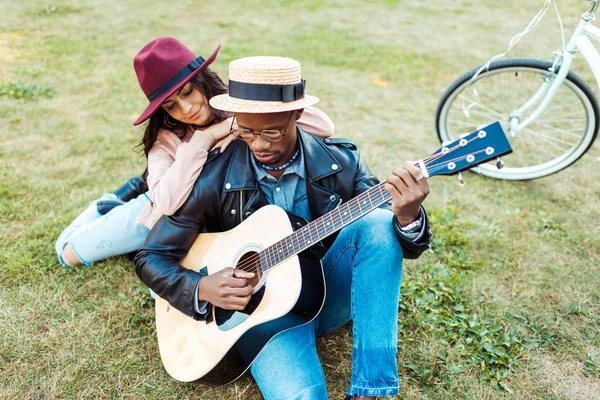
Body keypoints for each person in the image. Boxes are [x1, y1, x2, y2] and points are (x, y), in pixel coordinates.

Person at [134, 55, 432, 399]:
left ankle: (372, 390)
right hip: (265, 319)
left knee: (379, 224)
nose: (259, 144)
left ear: (298, 115)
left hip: (326, 292)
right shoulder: (214, 178)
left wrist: (407, 217)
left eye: (271, 132)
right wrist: (201, 287)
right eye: (246, 132)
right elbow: (151, 256)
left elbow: (392, 245)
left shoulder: (343, 162)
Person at [54, 37, 334, 267]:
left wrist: (239, 123)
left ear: (201, 80)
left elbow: (324, 126)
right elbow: (165, 204)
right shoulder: (166, 137)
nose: (186, 109)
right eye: (171, 105)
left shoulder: (237, 105)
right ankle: (110, 202)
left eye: (188, 92)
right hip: (161, 212)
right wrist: (207, 137)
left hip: (215, 217)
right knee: (68, 253)